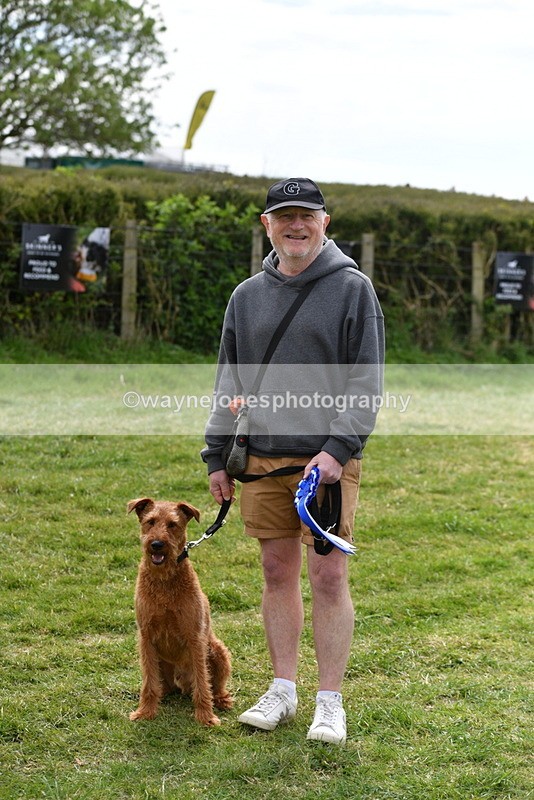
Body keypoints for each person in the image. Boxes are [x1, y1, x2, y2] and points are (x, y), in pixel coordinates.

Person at [202, 177, 384, 745]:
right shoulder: (244, 296)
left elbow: (366, 382)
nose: (295, 225)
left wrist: (337, 451)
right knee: (276, 572)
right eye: (284, 216)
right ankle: (283, 688)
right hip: (260, 457)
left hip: (325, 463)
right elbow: (227, 380)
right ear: (267, 225)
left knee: (328, 577)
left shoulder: (354, 290)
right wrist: (216, 454)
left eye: (307, 215)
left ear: (325, 223)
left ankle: (329, 703)